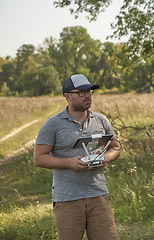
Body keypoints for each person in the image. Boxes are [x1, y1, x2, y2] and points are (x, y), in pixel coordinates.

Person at [34, 74, 120, 240]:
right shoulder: (53, 124)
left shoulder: (101, 121)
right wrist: (69, 163)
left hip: (99, 195)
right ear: (67, 96)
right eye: (81, 92)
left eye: (89, 91)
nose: (87, 95)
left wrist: (106, 158)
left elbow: (115, 148)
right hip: (67, 199)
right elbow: (39, 158)